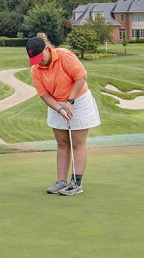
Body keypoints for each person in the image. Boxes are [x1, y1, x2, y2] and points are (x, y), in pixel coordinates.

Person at [26, 34, 101, 195]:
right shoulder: (36, 69)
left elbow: (81, 77)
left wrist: (70, 101)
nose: (39, 62)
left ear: (47, 49)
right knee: (61, 142)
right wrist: (59, 109)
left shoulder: (65, 56)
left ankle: (76, 183)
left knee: (77, 142)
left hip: (78, 99)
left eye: (40, 57)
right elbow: (44, 94)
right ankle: (61, 182)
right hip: (56, 103)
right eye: (35, 60)